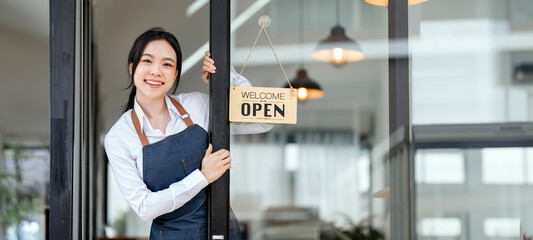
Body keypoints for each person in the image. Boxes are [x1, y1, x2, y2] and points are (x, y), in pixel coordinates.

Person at [104, 27, 272, 240]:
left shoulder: (196, 105)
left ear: (175, 74)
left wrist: (225, 79)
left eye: (167, 64)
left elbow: (263, 122)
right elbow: (145, 207)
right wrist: (202, 177)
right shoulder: (119, 137)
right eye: (147, 61)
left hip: (222, 233)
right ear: (132, 67)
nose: (156, 71)